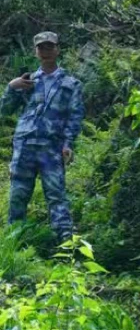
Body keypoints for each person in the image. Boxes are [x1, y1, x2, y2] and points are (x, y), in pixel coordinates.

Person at [2, 31, 84, 241]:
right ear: (35, 51)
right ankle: (13, 248)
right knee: (18, 197)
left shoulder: (71, 84)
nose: (45, 51)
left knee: (56, 197)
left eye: (49, 47)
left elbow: (75, 116)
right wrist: (11, 88)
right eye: (41, 48)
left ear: (57, 49)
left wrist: (68, 143)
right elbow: (4, 110)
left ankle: (65, 246)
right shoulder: (26, 81)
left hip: (51, 147)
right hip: (25, 146)